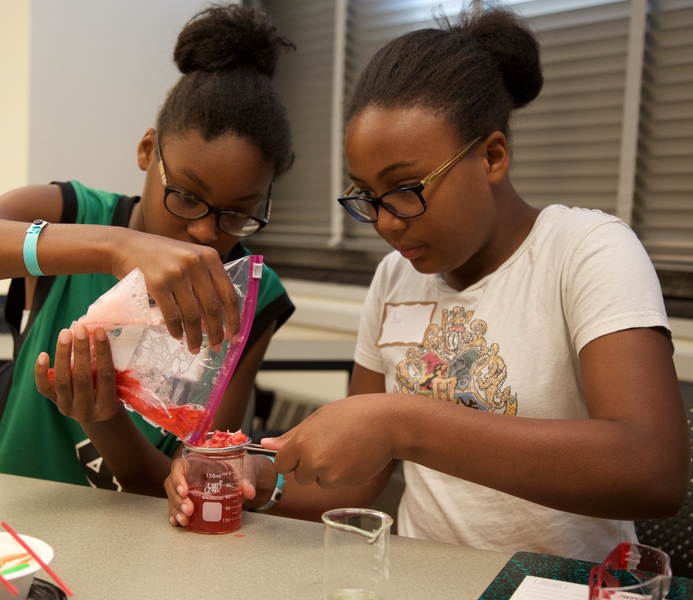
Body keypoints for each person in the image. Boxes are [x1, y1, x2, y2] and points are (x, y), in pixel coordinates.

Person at [165, 6, 689, 562]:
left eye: (406, 188)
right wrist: (251, 474)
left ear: (491, 156)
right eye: (368, 195)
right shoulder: (395, 278)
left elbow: (652, 469)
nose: (388, 222)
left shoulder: (585, 251)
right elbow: (356, 485)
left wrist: (402, 421)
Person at [0, 4, 296, 494]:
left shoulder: (251, 296)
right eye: (187, 197)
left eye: (238, 212)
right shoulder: (71, 213)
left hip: (142, 548)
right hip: (13, 527)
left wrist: (104, 420)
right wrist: (112, 247)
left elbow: (197, 486)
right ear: (148, 151)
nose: (204, 234)